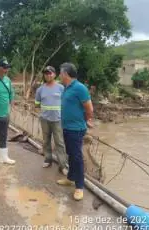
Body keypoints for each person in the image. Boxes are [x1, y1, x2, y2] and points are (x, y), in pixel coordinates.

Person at [56, 62, 94, 201]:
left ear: (65, 74)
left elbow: (89, 109)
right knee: (71, 154)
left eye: (60, 73)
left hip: (76, 129)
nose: (59, 75)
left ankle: (79, 187)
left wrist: (85, 121)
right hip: (66, 127)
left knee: (77, 157)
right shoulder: (67, 88)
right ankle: (71, 178)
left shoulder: (80, 88)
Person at [35, 66, 68, 175]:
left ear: (54, 74)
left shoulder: (61, 88)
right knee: (46, 141)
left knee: (59, 142)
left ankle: (63, 165)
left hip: (57, 120)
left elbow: (65, 103)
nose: (48, 75)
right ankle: (48, 160)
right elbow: (37, 104)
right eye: (46, 73)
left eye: (50, 73)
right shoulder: (40, 89)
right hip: (45, 119)